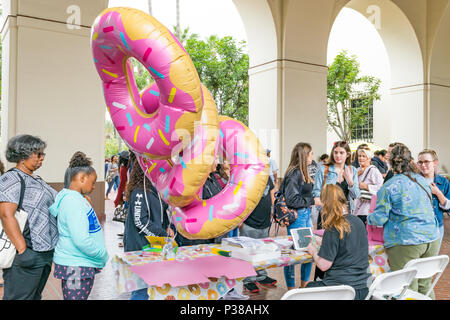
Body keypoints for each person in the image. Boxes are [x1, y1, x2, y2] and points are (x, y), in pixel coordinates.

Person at [367, 144, 440, 299]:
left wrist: (368, 216)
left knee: (406, 288)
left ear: (390, 163)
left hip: (406, 241)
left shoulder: (389, 186)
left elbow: (379, 218)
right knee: (425, 286)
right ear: (410, 161)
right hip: (431, 238)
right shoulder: (423, 181)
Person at [0, 134, 57, 300]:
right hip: (28, 253)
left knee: (34, 296)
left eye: (42, 154)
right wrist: (23, 250)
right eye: (38, 154)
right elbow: (6, 215)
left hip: (44, 252)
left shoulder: (37, 179)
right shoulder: (11, 179)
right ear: (23, 155)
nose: (42, 159)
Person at [49, 152, 108, 300]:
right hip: (76, 266)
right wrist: (101, 254)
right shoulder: (73, 202)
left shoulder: (75, 199)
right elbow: (81, 239)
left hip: (79, 264)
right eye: (93, 182)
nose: (94, 187)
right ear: (82, 178)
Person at [305, 184, 371, 300]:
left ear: (326, 204)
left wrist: (313, 251)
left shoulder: (334, 227)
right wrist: (324, 241)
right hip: (364, 288)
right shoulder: (358, 222)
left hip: (341, 290)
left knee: (308, 288)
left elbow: (324, 265)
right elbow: (347, 243)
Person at [123, 158, 174, 300]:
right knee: (141, 290)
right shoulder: (139, 191)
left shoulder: (155, 189)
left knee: (150, 288)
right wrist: (162, 234)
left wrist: (167, 227)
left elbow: (162, 214)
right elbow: (140, 221)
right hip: (139, 247)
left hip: (152, 248)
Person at [282, 143, 316, 289]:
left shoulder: (303, 172)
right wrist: (313, 200)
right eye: (311, 154)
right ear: (304, 156)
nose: (313, 157)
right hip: (298, 216)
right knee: (293, 255)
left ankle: (304, 287)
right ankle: (291, 289)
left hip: (305, 214)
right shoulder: (294, 173)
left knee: (309, 252)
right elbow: (292, 200)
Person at [240, 177, 276, 294]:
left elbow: (271, 191)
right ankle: (248, 280)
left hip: (264, 222)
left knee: (261, 251)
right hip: (250, 223)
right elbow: (240, 198)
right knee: (248, 253)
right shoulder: (247, 175)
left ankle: (261, 276)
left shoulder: (266, 175)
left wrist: (272, 208)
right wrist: (240, 221)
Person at [417, 149, 450, 251]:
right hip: (417, 226)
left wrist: (438, 193)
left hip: (437, 227)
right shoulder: (413, 181)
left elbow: (448, 207)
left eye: (426, 161)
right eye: (420, 162)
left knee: (432, 258)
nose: (423, 165)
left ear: (435, 163)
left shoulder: (443, 182)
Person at [353, 148, 383, 225]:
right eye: (359, 156)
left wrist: (367, 186)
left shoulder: (373, 170)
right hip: (357, 207)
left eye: (364, 156)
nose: (361, 158)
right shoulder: (357, 170)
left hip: (367, 208)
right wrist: (356, 175)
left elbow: (381, 188)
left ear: (369, 158)